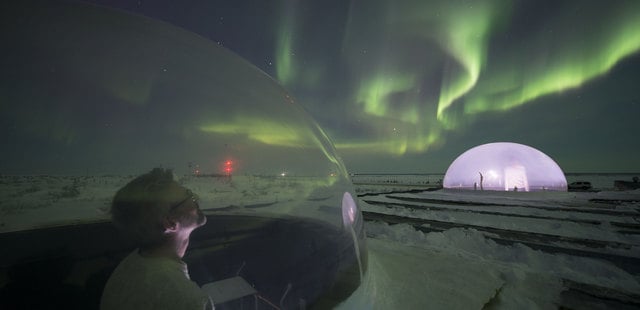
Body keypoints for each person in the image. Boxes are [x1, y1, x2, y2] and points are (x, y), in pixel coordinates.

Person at [100, 168, 213, 310]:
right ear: (170, 223)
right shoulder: (188, 300)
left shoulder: (130, 266)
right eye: (189, 197)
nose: (197, 198)